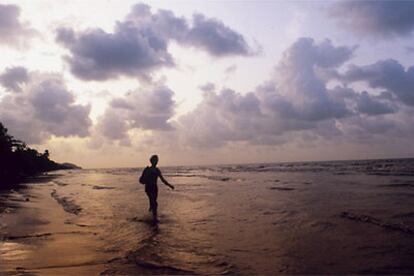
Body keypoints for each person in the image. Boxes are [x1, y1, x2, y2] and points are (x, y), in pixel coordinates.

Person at [141, 155, 174, 222]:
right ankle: (154, 218)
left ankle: (149, 217)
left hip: (155, 188)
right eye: (155, 160)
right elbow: (142, 180)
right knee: (154, 203)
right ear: (151, 161)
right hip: (148, 188)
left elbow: (162, 179)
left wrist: (169, 185)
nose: (156, 161)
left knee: (152, 203)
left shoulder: (157, 170)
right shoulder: (148, 169)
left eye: (157, 160)